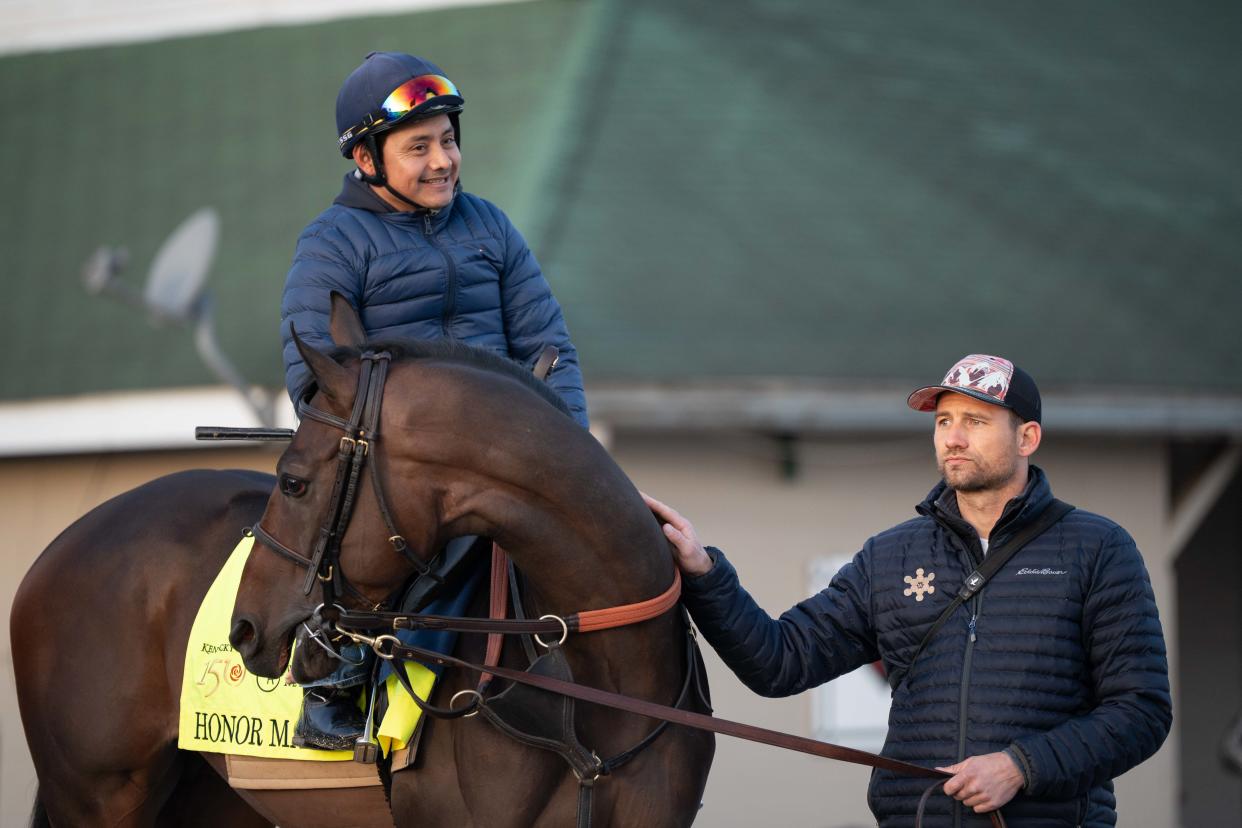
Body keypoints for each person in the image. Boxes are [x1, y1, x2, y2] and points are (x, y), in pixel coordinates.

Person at [645, 354, 1170, 827]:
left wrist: (1020, 768)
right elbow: (780, 662)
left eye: (976, 422)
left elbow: (1141, 710)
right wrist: (703, 573)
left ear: (1027, 438)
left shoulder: (1097, 548)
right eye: (944, 421)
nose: (953, 438)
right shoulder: (891, 555)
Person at [280, 51, 589, 750]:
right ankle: (337, 672)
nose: (444, 160)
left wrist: (573, 450)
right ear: (365, 158)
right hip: (396, 462)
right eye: (418, 147)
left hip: (506, 456)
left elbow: (549, 343)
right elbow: (314, 374)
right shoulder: (330, 243)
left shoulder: (492, 227)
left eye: (448, 139)